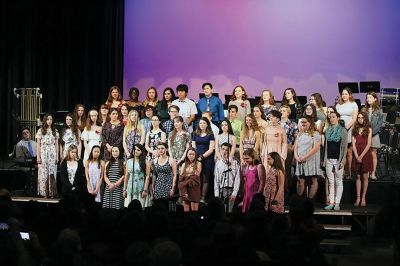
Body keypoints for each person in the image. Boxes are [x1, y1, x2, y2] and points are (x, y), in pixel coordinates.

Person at [322, 111, 347, 211]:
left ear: (338, 118)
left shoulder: (343, 131)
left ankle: (337, 203)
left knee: (339, 181)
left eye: (333, 117)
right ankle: (331, 202)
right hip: (329, 158)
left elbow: (344, 147)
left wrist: (343, 160)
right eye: (330, 117)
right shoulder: (328, 130)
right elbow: (325, 147)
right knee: (331, 181)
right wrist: (323, 159)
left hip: (338, 159)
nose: (331, 119)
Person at [294, 115, 322, 199]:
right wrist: (296, 156)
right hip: (300, 160)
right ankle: (298, 199)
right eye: (301, 122)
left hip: (311, 160)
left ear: (310, 123)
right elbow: (296, 146)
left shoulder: (315, 134)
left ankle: (309, 201)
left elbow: (316, 148)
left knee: (313, 180)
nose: (303, 123)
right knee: (300, 180)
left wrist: (305, 157)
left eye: (305, 122)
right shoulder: (300, 133)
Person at [336, 87, 358, 178]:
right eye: (343, 94)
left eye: (346, 94)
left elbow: (354, 118)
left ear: (349, 95)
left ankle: (348, 172)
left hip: (349, 129)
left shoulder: (353, 104)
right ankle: (341, 171)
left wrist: (347, 127)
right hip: (340, 129)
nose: (344, 95)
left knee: (349, 151)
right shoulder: (338, 105)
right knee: (341, 151)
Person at [192, 117, 215, 203]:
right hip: (196, 158)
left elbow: (211, 149)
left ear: (207, 125)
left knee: (206, 177)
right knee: (197, 177)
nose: (202, 125)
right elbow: (193, 146)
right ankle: (196, 196)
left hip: (207, 158)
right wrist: (196, 157)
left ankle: (203, 197)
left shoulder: (210, 135)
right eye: (200, 123)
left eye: (204, 123)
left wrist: (202, 157)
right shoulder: (195, 134)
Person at [352, 112, 372, 207]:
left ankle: (363, 197)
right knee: (358, 176)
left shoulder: (368, 129)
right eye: (358, 118)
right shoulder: (354, 129)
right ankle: (358, 197)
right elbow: (353, 144)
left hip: (365, 154)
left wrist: (361, 156)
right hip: (357, 154)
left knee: (365, 176)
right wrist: (356, 156)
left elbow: (368, 144)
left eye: (362, 118)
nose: (360, 119)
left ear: (365, 119)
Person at [362, 92, 384, 180]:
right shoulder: (364, 109)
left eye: (370, 97)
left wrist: (372, 133)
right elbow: (361, 122)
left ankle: (373, 173)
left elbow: (380, 124)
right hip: (365, 134)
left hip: (374, 135)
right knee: (366, 154)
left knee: (373, 154)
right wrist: (366, 133)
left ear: (375, 99)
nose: (368, 99)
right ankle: (366, 171)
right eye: (367, 98)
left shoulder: (379, 110)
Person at [36, 113, 59, 198]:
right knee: (43, 172)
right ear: (45, 120)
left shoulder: (55, 130)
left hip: (52, 152)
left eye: (51, 119)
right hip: (43, 152)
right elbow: (38, 144)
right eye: (48, 119)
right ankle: (44, 192)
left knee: (52, 172)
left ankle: (52, 192)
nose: (49, 121)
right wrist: (38, 156)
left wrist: (57, 156)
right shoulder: (40, 130)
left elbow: (56, 144)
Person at [214, 143, 240, 213]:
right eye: (222, 149)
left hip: (231, 190)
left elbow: (237, 179)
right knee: (221, 212)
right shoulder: (218, 163)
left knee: (230, 212)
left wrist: (234, 193)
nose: (224, 151)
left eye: (226, 150)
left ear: (230, 151)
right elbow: (216, 180)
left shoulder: (235, 163)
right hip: (221, 191)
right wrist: (216, 195)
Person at [123, 144, 151, 208]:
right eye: (134, 149)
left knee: (140, 207)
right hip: (130, 187)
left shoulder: (145, 162)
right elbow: (126, 176)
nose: (136, 151)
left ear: (141, 151)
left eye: (138, 150)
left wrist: (145, 190)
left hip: (141, 187)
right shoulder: (129, 161)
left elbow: (147, 176)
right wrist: (124, 189)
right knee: (129, 208)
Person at [279, 105, 298, 183]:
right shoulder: (276, 123)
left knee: (287, 169)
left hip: (287, 147)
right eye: (281, 111)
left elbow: (297, 137)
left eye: (284, 111)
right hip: (277, 147)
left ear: (288, 113)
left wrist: (293, 147)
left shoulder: (292, 124)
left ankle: (287, 190)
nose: (282, 112)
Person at [178, 147, 201, 212]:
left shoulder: (198, 163)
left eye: (193, 154)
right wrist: (189, 176)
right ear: (187, 155)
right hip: (185, 189)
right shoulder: (183, 164)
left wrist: (184, 180)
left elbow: (195, 177)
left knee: (194, 211)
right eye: (190, 154)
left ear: (195, 155)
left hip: (194, 187)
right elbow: (181, 177)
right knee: (186, 211)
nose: (191, 156)